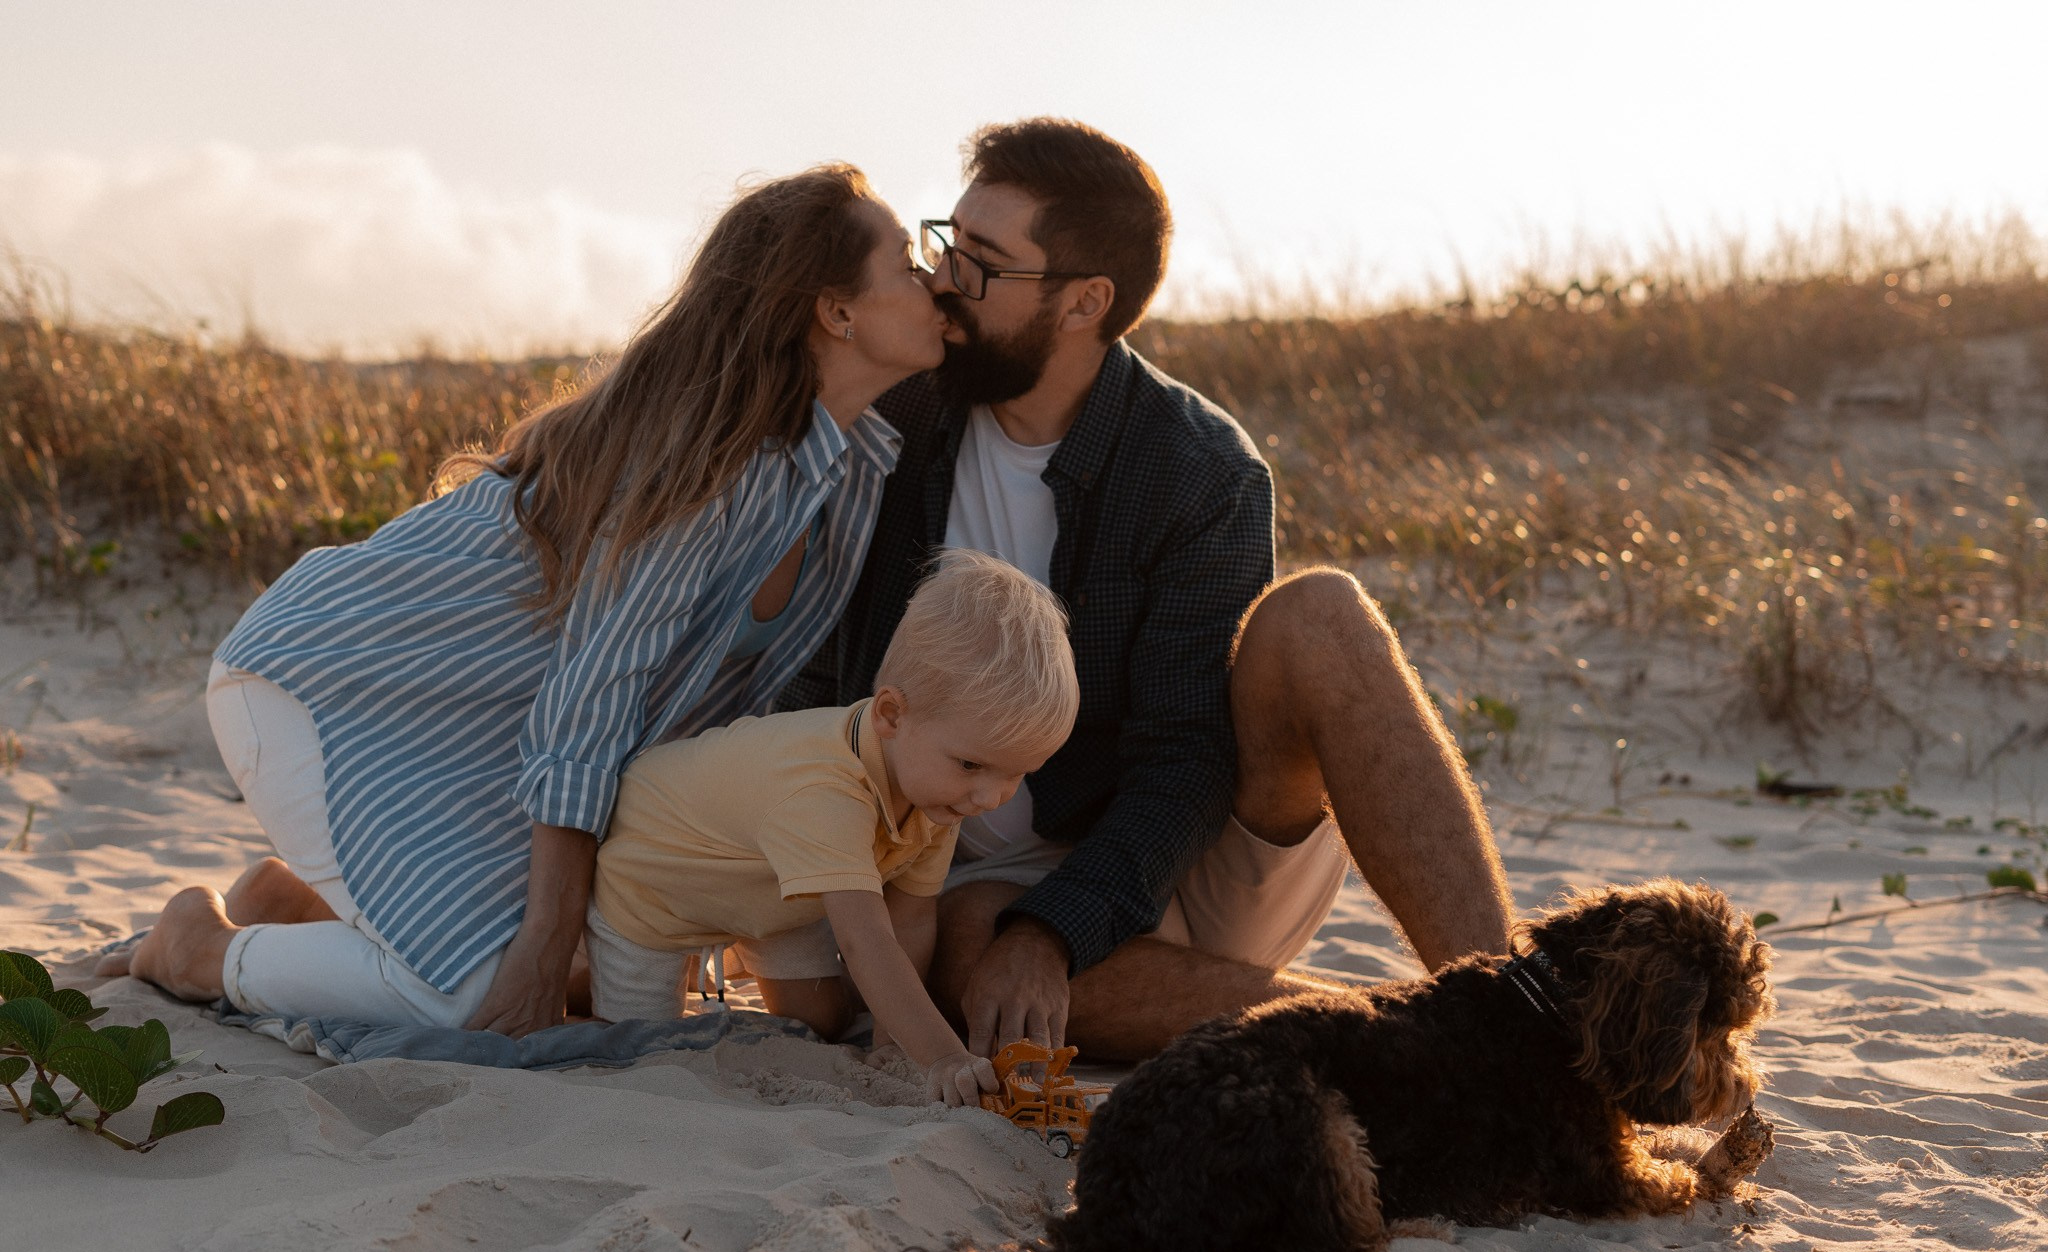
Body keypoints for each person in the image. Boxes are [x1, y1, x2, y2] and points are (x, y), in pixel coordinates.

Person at [99, 164, 948, 1036]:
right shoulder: (705, 465)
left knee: (558, 966)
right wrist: (543, 938)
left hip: (476, 728)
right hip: (329, 682)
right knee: (475, 997)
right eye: (907, 262)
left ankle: (293, 904)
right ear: (836, 312)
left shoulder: (848, 468)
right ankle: (198, 949)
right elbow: (592, 700)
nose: (934, 279)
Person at [780, 119, 1517, 1061]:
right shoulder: (896, 413)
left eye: (982, 264)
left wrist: (1054, 930)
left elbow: (1186, 756)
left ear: (1085, 302)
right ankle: (1408, 1043)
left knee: (1322, 615)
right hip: (960, 878)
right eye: (947, 244)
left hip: (1173, 852)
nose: (943, 281)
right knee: (974, 944)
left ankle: (1508, 1012)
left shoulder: (1199, 468)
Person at [586, 549, 1076, 1105]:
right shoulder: (825, 792)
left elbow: (910, 918)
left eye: (1016, 774)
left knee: (821, 1020)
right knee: (638, 1044)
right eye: (971, 765)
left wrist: (895, 1041)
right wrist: (943, 1056)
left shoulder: (938, 791)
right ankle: (592, 959)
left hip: (774, 889)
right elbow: (865, 941)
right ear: (890, 715)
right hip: (654, 890)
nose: (990, 797)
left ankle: (739, 953)